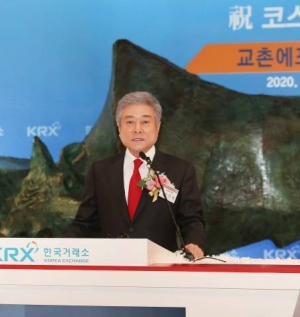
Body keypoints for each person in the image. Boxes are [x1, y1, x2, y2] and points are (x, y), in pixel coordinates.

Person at [62, 91, 206, 259]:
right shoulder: (100, 171)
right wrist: (60, 246)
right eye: (129, 122)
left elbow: (191, 220)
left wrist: (194, 243)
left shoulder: (180, 170)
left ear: (158, 127)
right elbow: (84, 223)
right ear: (119, 127)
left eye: (145, 122)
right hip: (111, 264)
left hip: (160, 265)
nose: (137, 129)